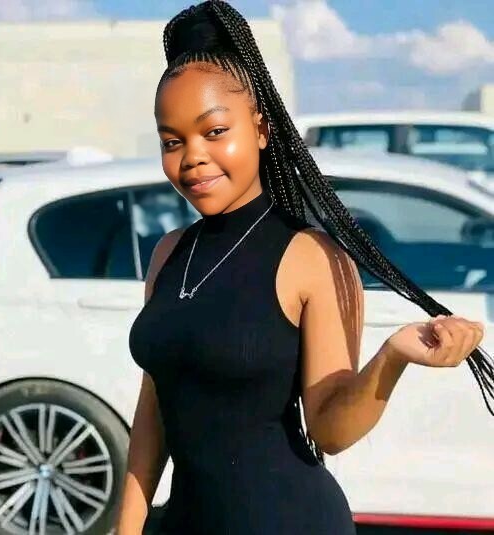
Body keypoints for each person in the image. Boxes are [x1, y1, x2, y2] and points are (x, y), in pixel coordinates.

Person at [118, 2, 492, 533]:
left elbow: (330, 430)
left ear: (261, 129)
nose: (192, 156)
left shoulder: (310, 257)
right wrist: (127, 528)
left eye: (215, 131)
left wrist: (392, 357)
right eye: (172, 141)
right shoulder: (169, 253)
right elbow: (154, 408)